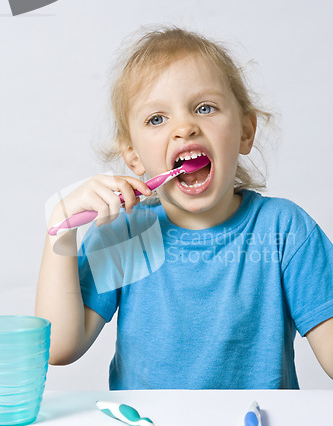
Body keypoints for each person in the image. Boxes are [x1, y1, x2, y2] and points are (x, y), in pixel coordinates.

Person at [35, 26, 333, 389]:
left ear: (244, 131)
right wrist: (61, 231)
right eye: (157, 119)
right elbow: (58, 347)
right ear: (133, 155)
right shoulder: (125, 233)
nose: (185, 128)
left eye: (204, 108)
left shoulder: (284, 230)